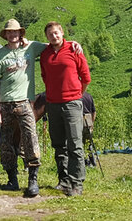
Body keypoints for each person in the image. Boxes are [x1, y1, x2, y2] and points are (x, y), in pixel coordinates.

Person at [0, 18, 47, 197]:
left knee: (30, 137)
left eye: (16, 32)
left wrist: (73, 44)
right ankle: (11, 179)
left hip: (24, 101)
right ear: (5, 35)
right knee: (5, 141)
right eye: (9, 32)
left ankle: (33, 180)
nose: (13, 34)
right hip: (5, 103)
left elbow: (54, 43)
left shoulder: (31, 48)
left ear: (20, 33)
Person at [39, 21, 91, 196]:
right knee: (59, 144)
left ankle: (77, 183)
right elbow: (45, 77)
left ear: (62, 33)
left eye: (56, 33)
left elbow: (86, 78)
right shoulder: (45, 54)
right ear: (47, 37)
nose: (54, 36)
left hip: (72, 104)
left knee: (75, 144)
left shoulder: (73, 50)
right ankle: (64, 180)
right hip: (52, 104)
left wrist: (76, 95)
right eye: (50, 34)